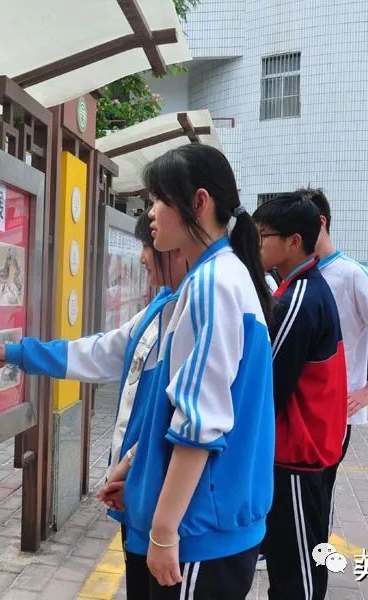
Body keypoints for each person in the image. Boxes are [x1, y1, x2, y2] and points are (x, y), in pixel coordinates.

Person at [0, 212, 187, 599]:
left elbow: (193, 424)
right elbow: (99, 351)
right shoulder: (161, 306)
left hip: (164, 502)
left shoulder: (194, 312)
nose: (142, 257)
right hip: (137, 491)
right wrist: (19, 353)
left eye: (147, 244)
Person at [106, 144, 275, 598]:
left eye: (158, 200)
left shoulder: (211, 284)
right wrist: (134, 468)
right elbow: (183, 408)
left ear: (199, 203)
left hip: (198, 530)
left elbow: (201, 424)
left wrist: (163, 531)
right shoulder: (225, 276)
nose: (152, 214)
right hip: (211, 523)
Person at [253, 193, 347, 600]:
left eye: (262, 237)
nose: (256, 245)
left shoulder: (299, 299)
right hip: (305, 453)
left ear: (294, 241)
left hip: (297, 456)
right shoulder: (302, 288)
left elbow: (268, 388)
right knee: (296, 559)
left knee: (297, 572)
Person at [300, 188, 368, 532]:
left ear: (319, 222)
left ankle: (314, 560)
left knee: (318, 490)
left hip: (334, 410)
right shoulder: (297, 275)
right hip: (297, 405)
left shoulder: (351, 273)